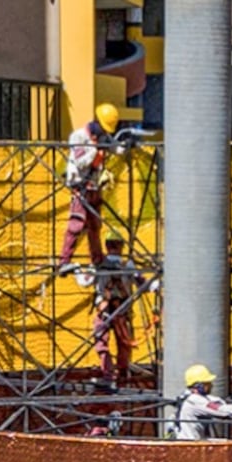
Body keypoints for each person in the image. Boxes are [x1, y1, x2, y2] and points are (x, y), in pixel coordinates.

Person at [58, 103, 123, 275]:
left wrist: (127, 144)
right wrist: (96, 150)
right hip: (81, 186)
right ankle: (64, 261)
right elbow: (80, 162)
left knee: (94, 225)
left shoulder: (103, 137)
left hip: (94, 186)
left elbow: (116, 148)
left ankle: (98, 259)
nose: (105, 133)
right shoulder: (79, 137)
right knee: (77, 223)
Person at [90, 235, 155, 390]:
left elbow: (85, 281)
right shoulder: (128, 264)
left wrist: (76, 268)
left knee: (101, 343)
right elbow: (144, 284)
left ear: (106, 246)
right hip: (122, 312)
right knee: (124, 345)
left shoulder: (98, 264)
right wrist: (158, 284)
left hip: (104, 311)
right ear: (122, 246)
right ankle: (122, 376)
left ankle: (108, 375)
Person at [175, 365, 232, 440]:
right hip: (190, 442)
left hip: (195, 439)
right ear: (199, 386)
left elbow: (214, 400)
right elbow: (221, 411)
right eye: (207, 383)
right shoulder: (195, 400)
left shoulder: (191, 396)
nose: (211, 385)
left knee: (224, 442)